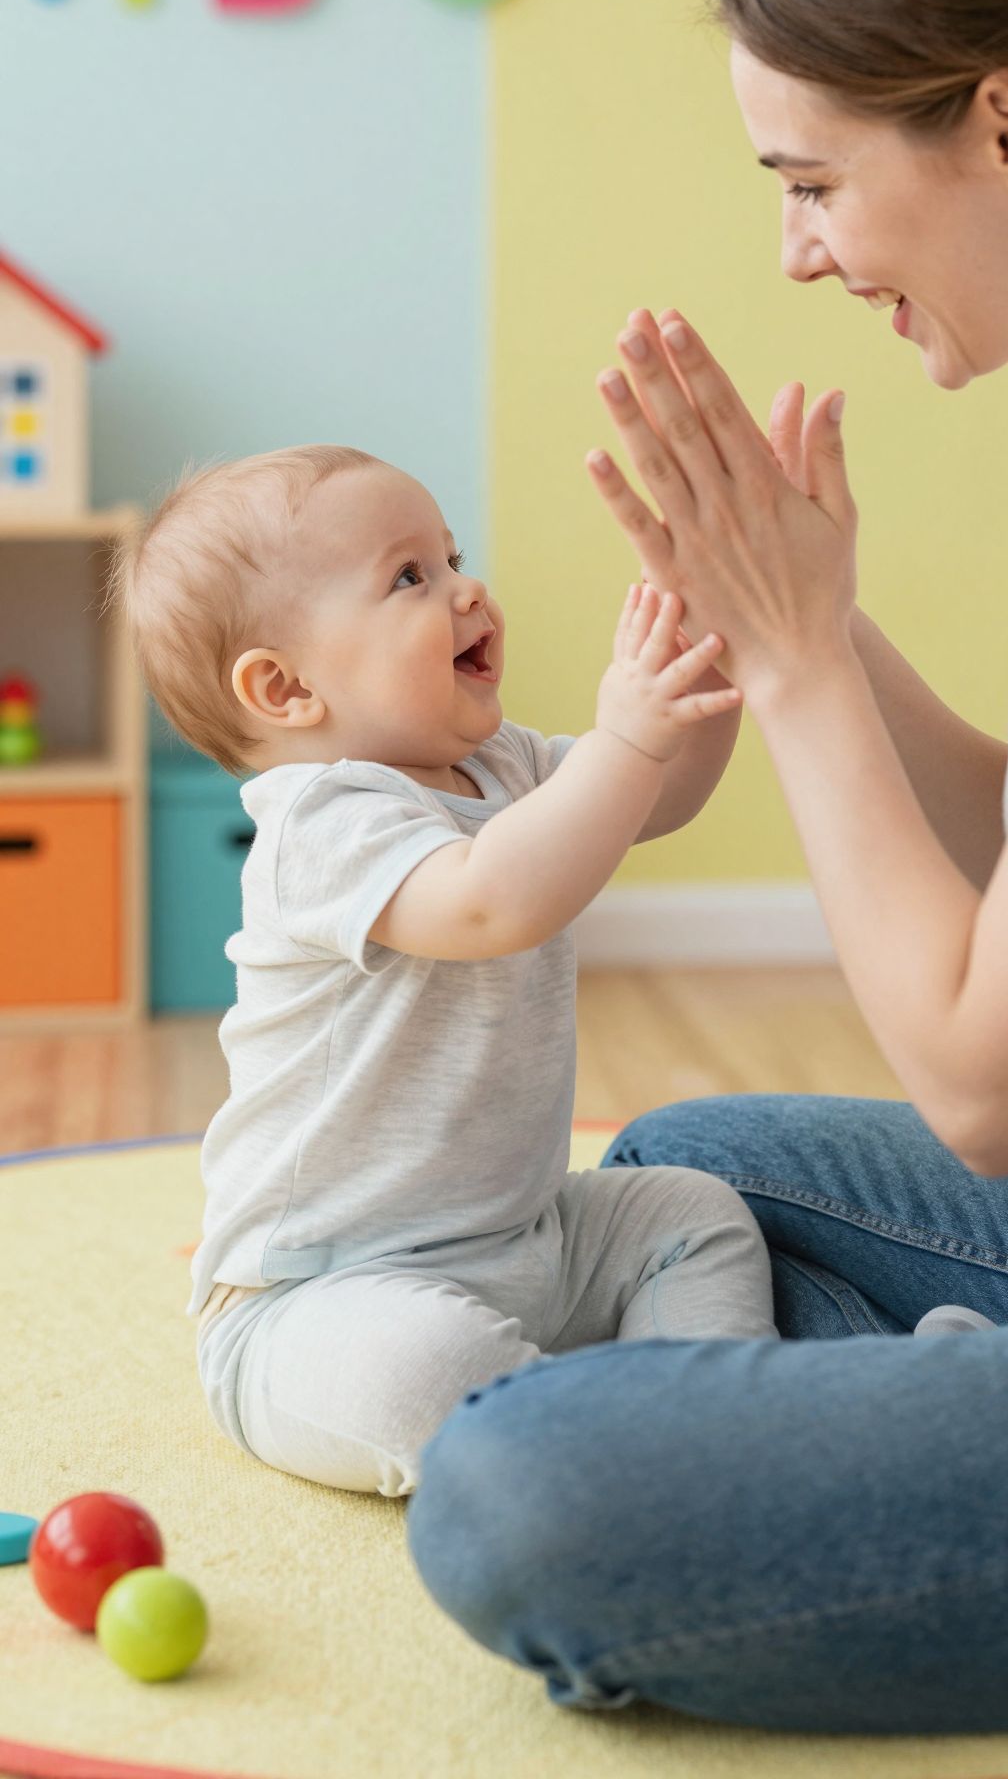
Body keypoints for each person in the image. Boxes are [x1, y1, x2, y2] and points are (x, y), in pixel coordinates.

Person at [405, 0, 1008, 1731]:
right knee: (685, 1179)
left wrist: (809, 670)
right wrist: (798, 603)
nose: (806, 253)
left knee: (513, 1491)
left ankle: (937, 1492)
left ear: (1007, 126)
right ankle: (930, 1473)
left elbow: (994, 1080)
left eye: (812, 182)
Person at [115, 444, 789, 1498]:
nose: (466, 587)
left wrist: (701, 671)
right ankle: (652, 1459)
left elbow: (650, 798)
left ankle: (700, 1416)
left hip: (526, 1236)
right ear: (285, 687)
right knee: (419, 1368)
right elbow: (489, 899)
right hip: (322, 1295)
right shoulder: (319, 820)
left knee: (690, 1214)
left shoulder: (506, 762)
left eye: (451, 555)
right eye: (408, 576)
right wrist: (623, 734)